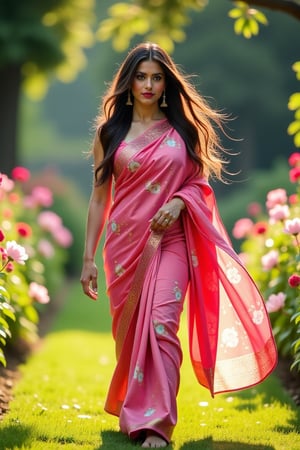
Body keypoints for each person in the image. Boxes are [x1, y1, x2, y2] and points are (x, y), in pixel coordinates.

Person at [80, 42, 277, 448]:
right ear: (129, 82)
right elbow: (100, 197)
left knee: (161, 323)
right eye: (141, 76)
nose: (149, 85)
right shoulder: (110, 133)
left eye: (156, 77)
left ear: (166, 83)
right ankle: (134, 409)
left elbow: (198, 185)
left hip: (170, 240)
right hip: (123, 246)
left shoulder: (182, 131)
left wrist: (177, 200)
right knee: (132, 333)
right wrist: (88, 259)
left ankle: (157, 423)